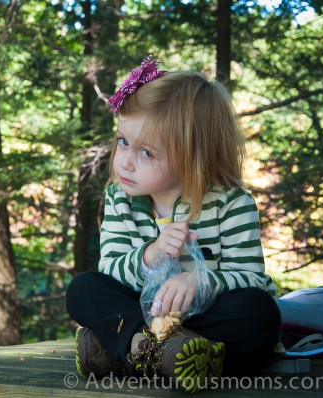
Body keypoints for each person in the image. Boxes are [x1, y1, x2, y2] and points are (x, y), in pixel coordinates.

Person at [66, 55, 281, 392]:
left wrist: (200, 282)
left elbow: (253, 279)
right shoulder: (119, 200)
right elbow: (111, 270)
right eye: (123, 141)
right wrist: (149, 254)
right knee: (83, 288)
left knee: (260, 313)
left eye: (146, 152)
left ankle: (126, 353)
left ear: (193, 157)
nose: (125, 161)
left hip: (204, 322)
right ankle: (154, 352)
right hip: (142, 316)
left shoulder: (231, 204)